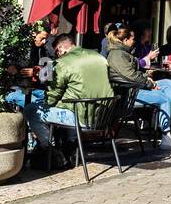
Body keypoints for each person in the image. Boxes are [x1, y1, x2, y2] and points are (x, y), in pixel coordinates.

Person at [106, 23, 171, 153]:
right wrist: (150, 83)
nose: (134, 41)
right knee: (163, 99)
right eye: (132, 39)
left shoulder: (122, 53)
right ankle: (166, 137)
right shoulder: (117, 54)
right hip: (128, 93)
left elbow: (131, 72)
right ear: (125, 40)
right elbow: (130, 75)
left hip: (134, 88)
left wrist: (146, 76)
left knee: (167, 82)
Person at [26, 34, 113, 165]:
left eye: (57, 52)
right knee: (68, 103)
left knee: (32, 110)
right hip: (103, 116)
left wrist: (47, 104)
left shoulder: (63, 62)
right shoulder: (99, 57)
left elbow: (53, 94)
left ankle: (52, 150)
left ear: (61, 49)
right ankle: (70, 149)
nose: (57, 55)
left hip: (80, 118)